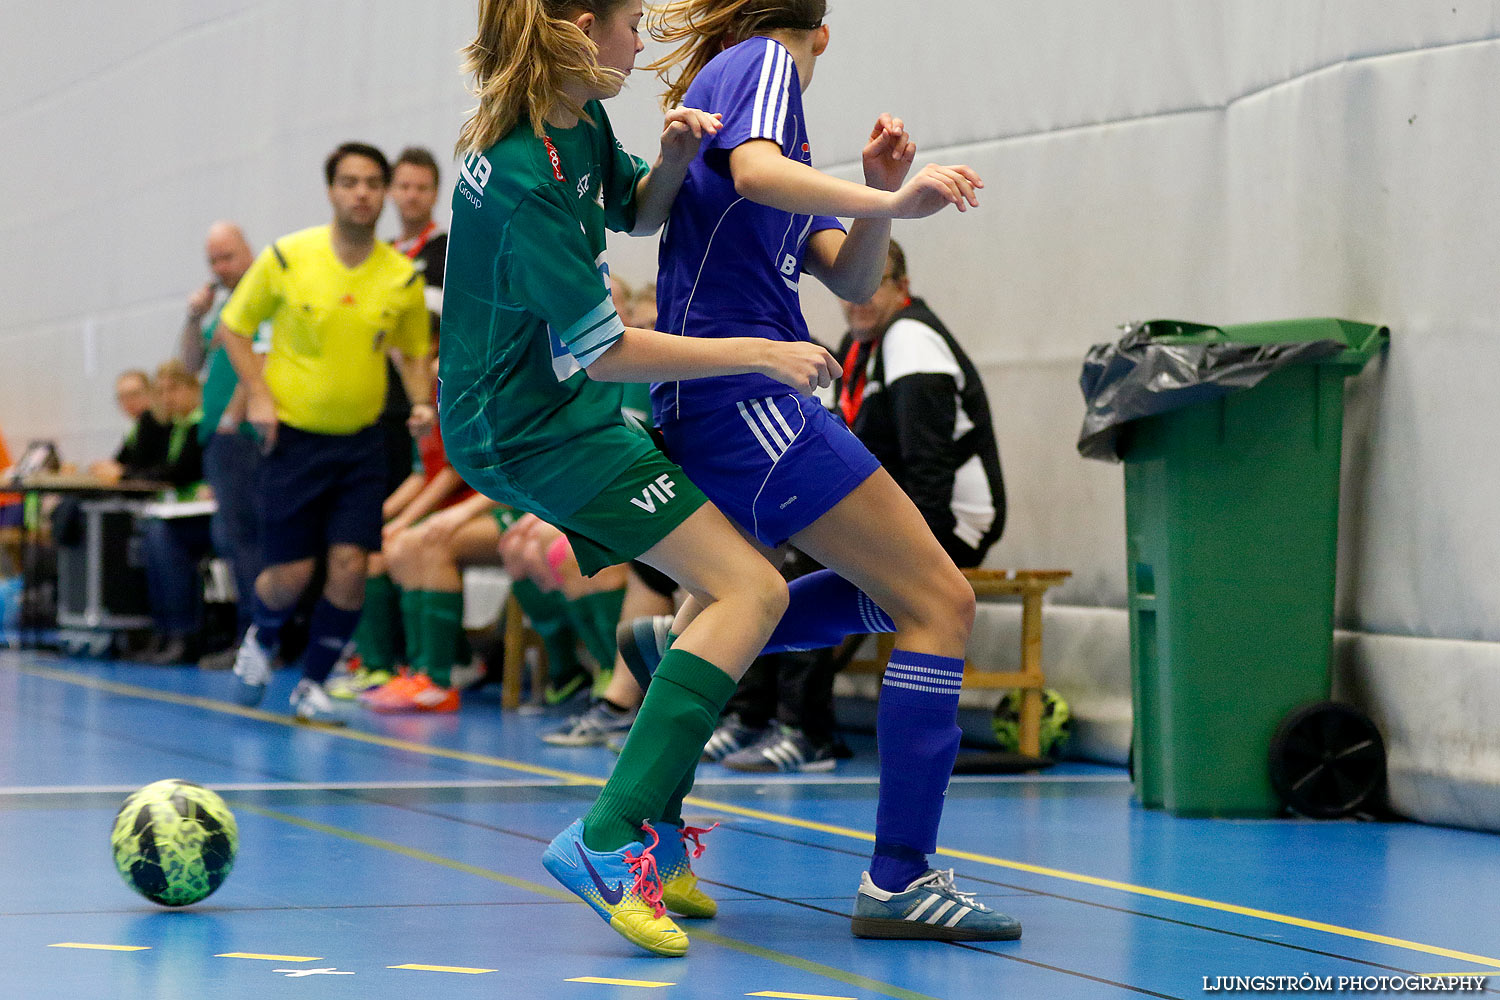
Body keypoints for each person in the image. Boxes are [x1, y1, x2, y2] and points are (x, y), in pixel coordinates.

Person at [442, 0, 842, 957]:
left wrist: (667, 158)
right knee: (754, 588)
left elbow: (639, 210)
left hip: (557, 413)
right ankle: (611, 834)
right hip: (528, 427)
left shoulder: (579, 123)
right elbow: (607, 348)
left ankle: (657, 837)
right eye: (629, 28)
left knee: (720, 593)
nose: (639, 46)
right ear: (581, 28)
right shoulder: (519, 179)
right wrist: (760, 353)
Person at [631, 0, 1019, 941]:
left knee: (864, 598)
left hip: (716, 401)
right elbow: (764, 175)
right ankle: (899, 879)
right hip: (748, 397)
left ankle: (698, 652)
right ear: (824, 28)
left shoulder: (747, 97)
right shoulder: (762, 60)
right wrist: (894, 197)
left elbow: (848, 280)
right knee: (941, 604)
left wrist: (872, 196)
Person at [711, 240, 1009, 770]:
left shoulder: (911, 339)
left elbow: (928, 464)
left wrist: (918, 554)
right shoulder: (858, 345)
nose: (859, 300)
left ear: (902, 287)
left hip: (951, 525)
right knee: (767, 552)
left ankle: (805, 731)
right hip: (907, 512)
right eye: (851, 288)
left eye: (876, 285)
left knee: (809, 560)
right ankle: (749, 714)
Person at [218, 141, 432, 723]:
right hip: (293, 441)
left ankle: (313, 682)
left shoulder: (400, 277)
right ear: (332, 190)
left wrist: (419, 404)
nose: (361, 192)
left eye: (371, 183)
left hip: (362, 445)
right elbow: (234, 327)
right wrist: (259, 396)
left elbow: (414, 352)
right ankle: (262, 636)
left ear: (384, 193)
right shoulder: (288, 258)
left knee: (349, 565)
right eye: (349, 182)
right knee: (290, 575)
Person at [178, 221, 264, 668]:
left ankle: (256, 636)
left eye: (227, 257)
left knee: (246, 537)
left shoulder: (261, 293)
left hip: (243, 437)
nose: (220, 268)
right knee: (230, 538)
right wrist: (195, 316)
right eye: (213, 260)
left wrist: (234, 416)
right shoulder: (223, 306)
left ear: (247, 250)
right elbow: (190, 363)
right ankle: (248, 632)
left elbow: (264, 357)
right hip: (219, 440)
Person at [138, 361, 210, 664]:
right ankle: (163, 630)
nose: (167, 398)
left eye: (174, 389)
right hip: (178, 511)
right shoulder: (174, 427)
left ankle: (183, 632)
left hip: (208, 513)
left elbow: (181, 471)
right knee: (150, 536)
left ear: (194, 388)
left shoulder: (202, 423)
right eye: (161, 391)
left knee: (162, 538)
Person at [89, 371, 169, 484]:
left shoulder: (153, 420)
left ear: (150, 393)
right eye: (123, 397)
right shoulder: (137, 426)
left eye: (134, 394)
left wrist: (121, 472)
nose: (128, 401)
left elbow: (146, 468)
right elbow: (119, 462)